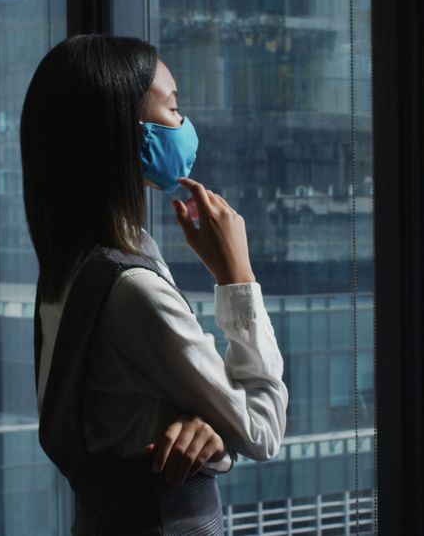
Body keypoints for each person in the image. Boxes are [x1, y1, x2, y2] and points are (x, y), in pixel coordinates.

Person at [20, 34, 288, 535]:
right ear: (129, 134)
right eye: (173, 107)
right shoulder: (132, 290)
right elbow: (262, 430)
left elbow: (124, 427)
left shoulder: (75, 272)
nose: (184, 126)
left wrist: (210, 434)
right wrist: (237, 277)